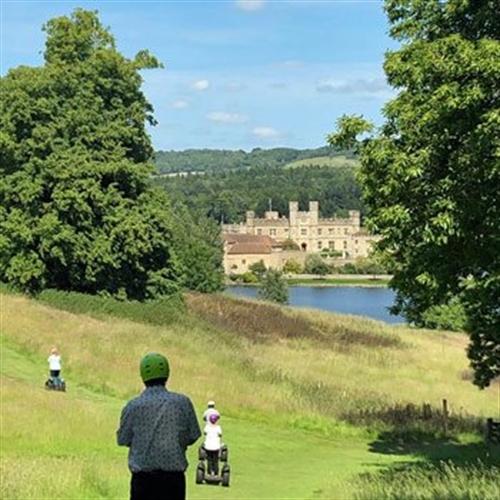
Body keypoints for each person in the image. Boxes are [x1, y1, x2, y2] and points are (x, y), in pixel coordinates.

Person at [117, 352, 201, 500]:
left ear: (143, 376)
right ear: (167, 374)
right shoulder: (182, 403)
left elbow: (122, 439)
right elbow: (193, 435)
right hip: (173, 480)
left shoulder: (133, 406)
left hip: (143, 480)